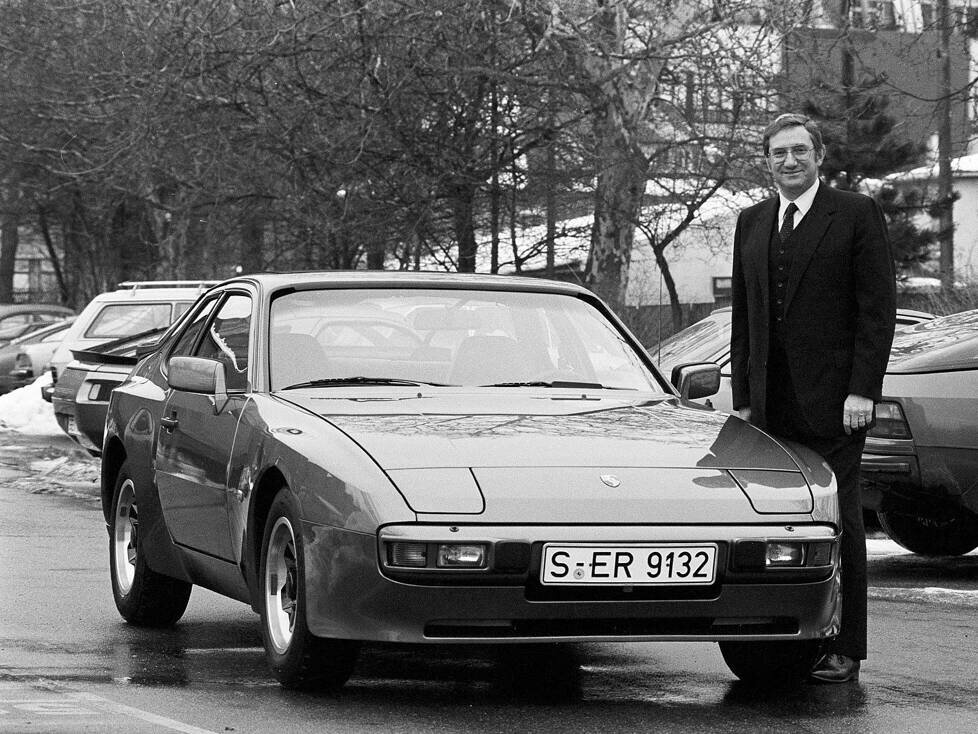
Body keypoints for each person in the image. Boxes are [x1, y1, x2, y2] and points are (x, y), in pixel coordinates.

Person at [730, 113, 896, 683]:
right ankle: (777, 635)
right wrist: (746, 400)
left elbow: (877, 313)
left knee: (840, 522)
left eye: (799, 151)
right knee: (779, 524)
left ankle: (845, 645)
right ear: (767, 161)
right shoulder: (751, 222)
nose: (789, 162)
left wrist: (862, 391)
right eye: (778, 153)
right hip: (771, 410)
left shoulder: (854, 214)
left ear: (818, 156)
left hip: (835, 405)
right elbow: (745, 318)